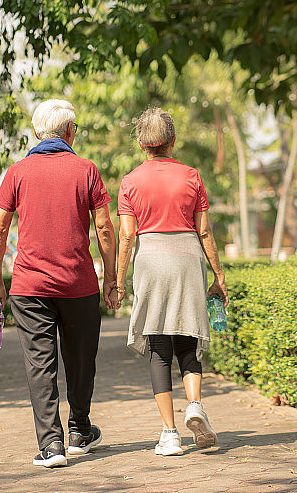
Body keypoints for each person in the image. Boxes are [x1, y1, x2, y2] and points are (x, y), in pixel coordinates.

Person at [0, 99, 119, 468]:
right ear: (70, 132)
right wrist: (111, 278)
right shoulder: (86, 169)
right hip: (79, 284)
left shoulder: (17, 172)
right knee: (80, 359)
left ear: (35, 134)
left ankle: (52, 446)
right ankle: (79, 431)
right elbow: (105, 228)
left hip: (29, 288)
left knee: (40, 365)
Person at [116, 107, 229, 456]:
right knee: (188, 336)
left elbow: (126, 237)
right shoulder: (191, 175)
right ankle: (194, 405)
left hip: (150, 259)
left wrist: (118, 282)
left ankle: (169, 434)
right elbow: (204, 230)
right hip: (188, 257)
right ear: (173, 140)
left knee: (159, 347)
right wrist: (219, 276)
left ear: (141, 143)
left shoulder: (130, 181)